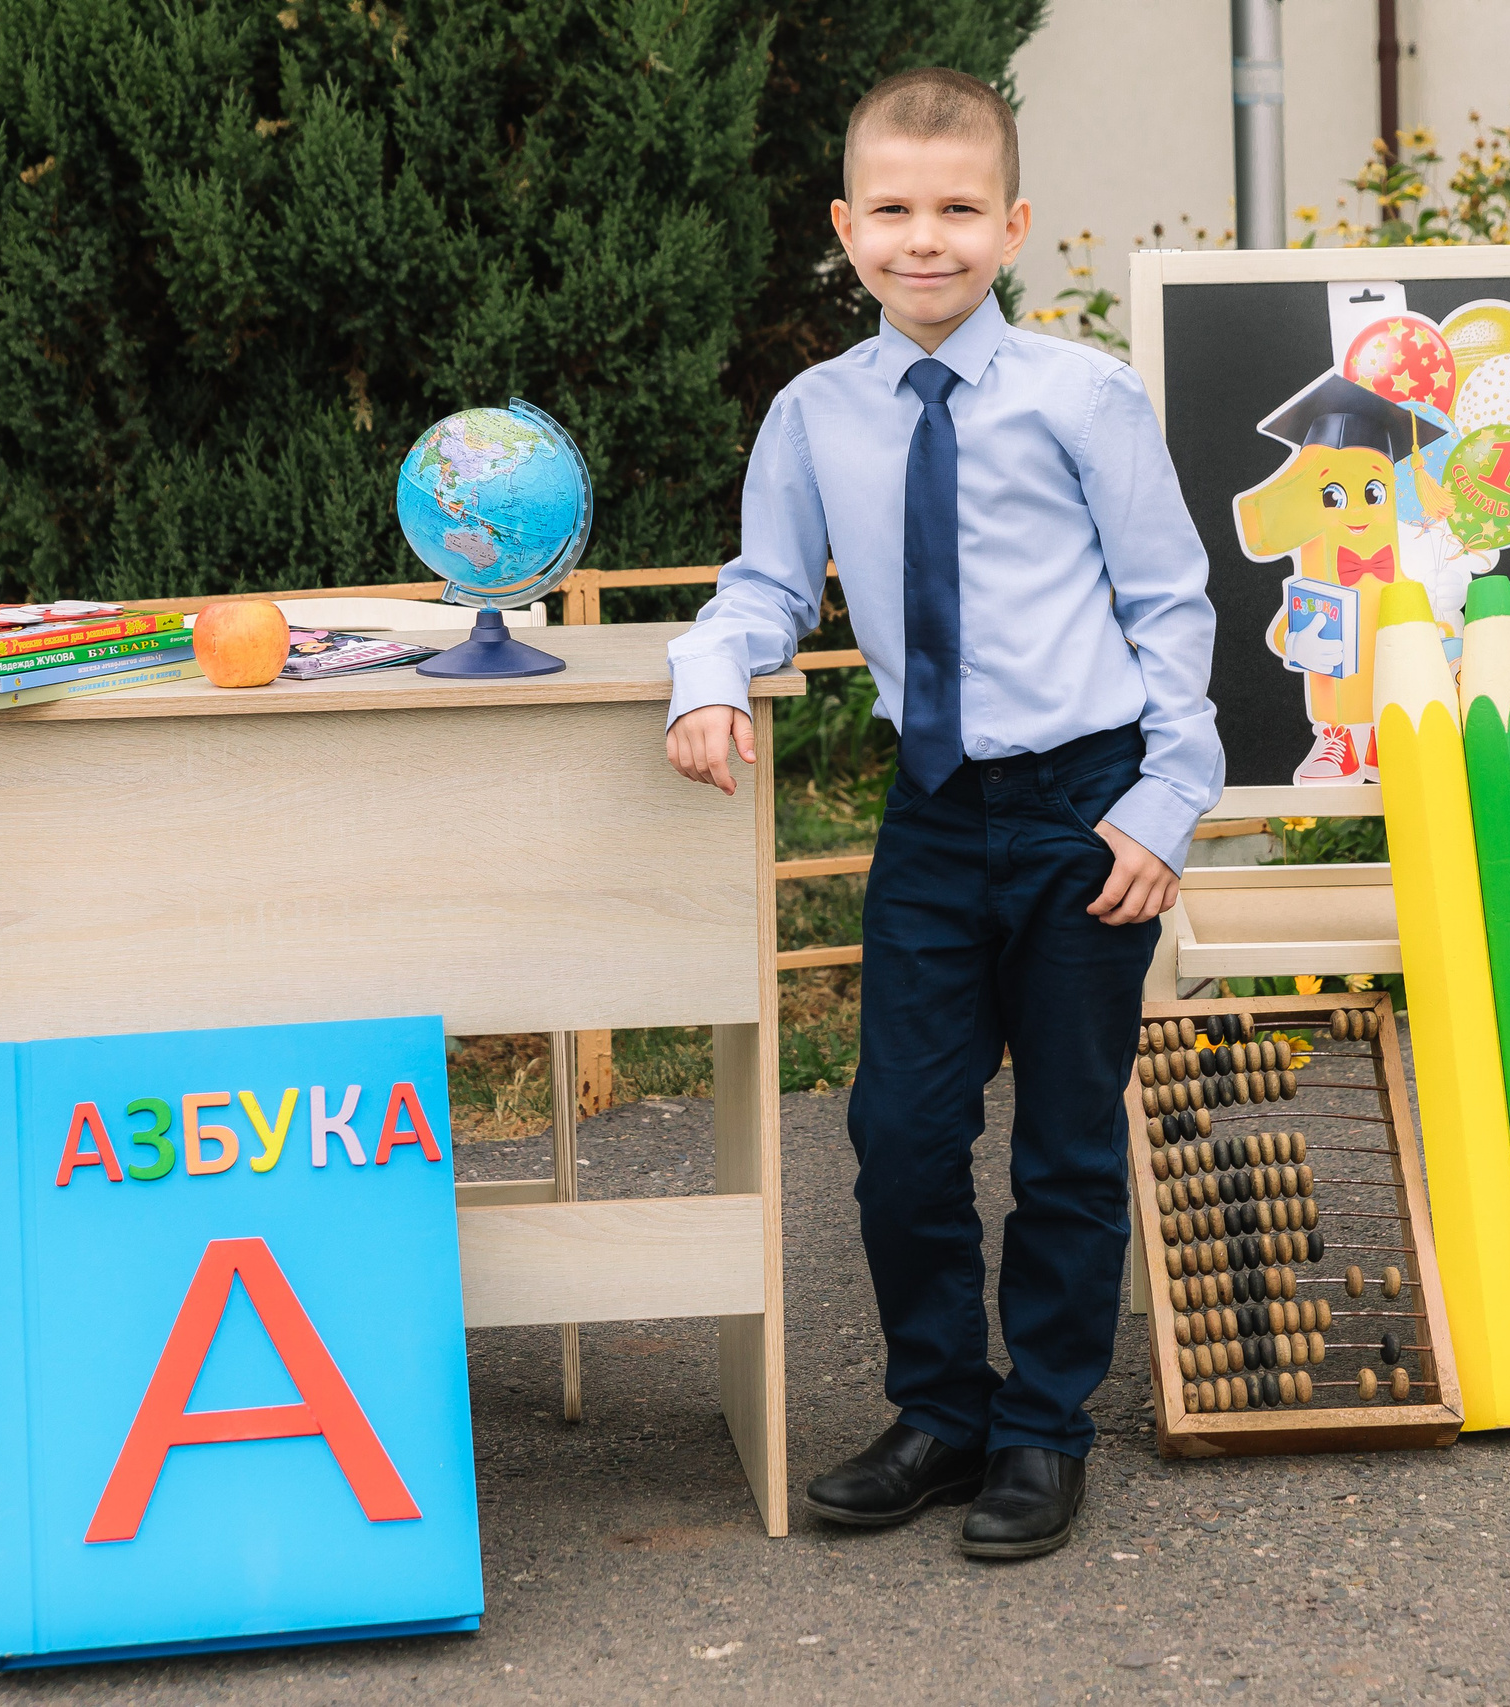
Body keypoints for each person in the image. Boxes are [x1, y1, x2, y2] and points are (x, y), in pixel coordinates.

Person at [663, 66, 1220, 1560]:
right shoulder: (816, 413)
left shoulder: (1082, 397)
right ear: (848, 228)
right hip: (933, 819)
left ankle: (1044, 1427)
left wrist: (1166, 802)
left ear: (1014, 224)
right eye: (895, 211)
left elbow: (1170, 603)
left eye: (960, 210)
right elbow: (767, 588)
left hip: (1083, 810)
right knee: (899, 1132)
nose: (928, 240)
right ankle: (943, 1409)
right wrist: (708, 675)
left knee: (1063, 1144)